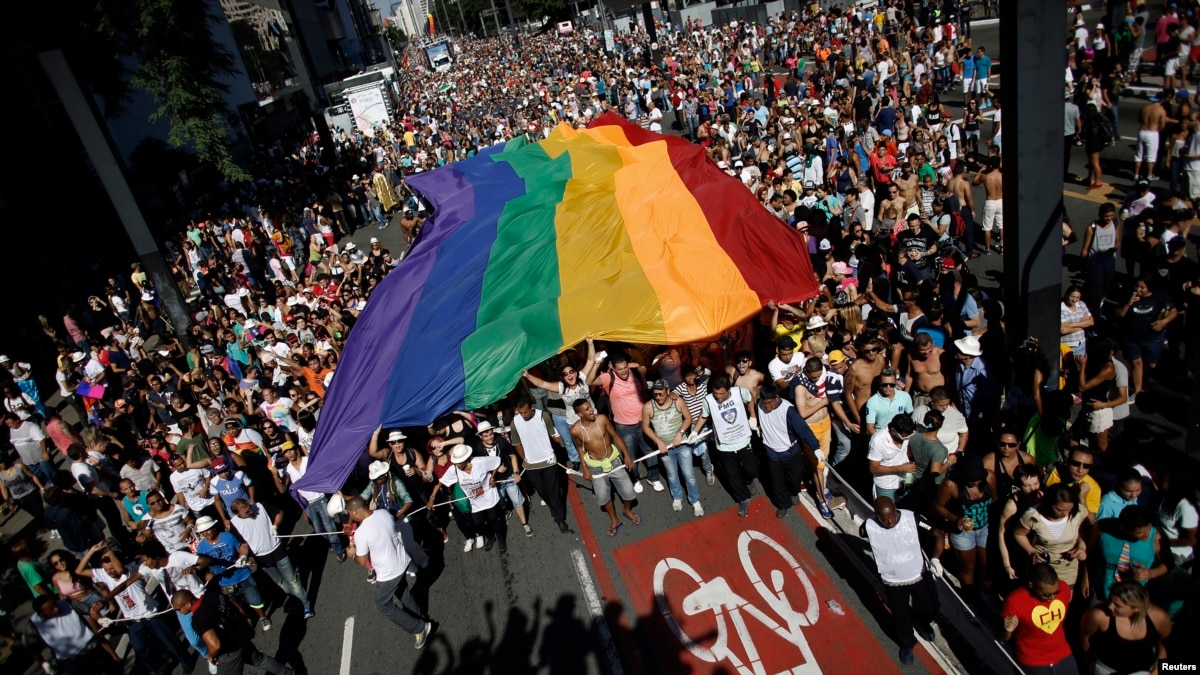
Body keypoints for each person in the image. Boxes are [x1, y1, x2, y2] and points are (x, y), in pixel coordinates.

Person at [76, 541, 195, 674]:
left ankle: (186, 661)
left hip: (150, 614)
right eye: (106, 569)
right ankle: (161, 668)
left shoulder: (131, 569)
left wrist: (108, 551)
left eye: (111, 568)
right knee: (140, 650)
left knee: (169, 640)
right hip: (133, 619)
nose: (109, 572)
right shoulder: (103, 574)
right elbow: (79, 570)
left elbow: (120, 570)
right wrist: (92, 551)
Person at [344, 496, 433, 649]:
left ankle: (419, 627)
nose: (350, 518)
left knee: (382, 605)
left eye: (350, 515)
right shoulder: (383, 513)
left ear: (355, 512)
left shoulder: (361, 533)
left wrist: (352, 554)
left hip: (388, 573)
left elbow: (362, 561)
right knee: (403, 592)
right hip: (401, 562)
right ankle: (420, 616)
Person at [863, 496, 939, 666]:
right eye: (884, 519)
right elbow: (863, 533)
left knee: (931, 607)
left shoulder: (912, 518)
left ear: (895, 508)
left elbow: (938, 534)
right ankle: (906, 643)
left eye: (892, 516)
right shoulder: (869, 526)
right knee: (900, 615)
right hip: (893, 580)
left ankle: (922, 621)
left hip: (917, 573)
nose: (890, 522)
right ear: (876, 516)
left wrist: (936, 559)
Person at [172, 584, 294, 675]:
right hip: (241, 638)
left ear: (188, 604)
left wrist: (210, 656)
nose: (178, 612)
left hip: (229, 652)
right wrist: (247, 625)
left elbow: (215, 645)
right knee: (260, 660)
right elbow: (238, 608)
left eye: (178, 609)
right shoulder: (214, 595)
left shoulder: (198, 620)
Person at [228, 499, 313, 619]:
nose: (251, 511)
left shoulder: (260, 507)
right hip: (262, 559)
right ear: (238, 514)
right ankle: (297, 598)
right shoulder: (235, 524)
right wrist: (243, 556)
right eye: (247, 512)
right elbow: (243, 544)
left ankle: (305, 605)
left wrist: (275, 526)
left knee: (292, 579)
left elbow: (279, 513)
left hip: (278, 550)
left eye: (250, 508)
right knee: (281, 583)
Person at [590, 351, 659, 492]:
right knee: (630, 455)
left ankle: (654, 478)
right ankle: (635, 480)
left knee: (650, 450)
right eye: (619, 369)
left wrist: (634, 366)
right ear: (613, 369)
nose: (623, 371)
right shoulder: (608, 378)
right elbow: (589, 381)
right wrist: (596, 363)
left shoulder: (637, 374)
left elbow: (642, 369)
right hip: (624, 426)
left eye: (625, 367)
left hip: (643, 422)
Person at [757, 383, 828, 519]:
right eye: (764, 403)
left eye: (769, 403)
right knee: (776, 482)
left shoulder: (789, 411)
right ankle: (782, 504)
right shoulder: (759, 404)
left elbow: (804, 431)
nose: (766, 406)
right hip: (772, 454)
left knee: (794, 478)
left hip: (790, 453)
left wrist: (816, 448)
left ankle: (794, 492)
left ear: (776, 398)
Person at [570, 399, 640, 535]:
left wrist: (626, 454)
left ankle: (627, 510)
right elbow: (580, 448)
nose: (591, 410)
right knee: (603, 497)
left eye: (590, 406)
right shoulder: (575, 430)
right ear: (579, 414)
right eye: (587, 409)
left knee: (629, 492)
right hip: (595, 467)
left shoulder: (602, 419)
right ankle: (614, 519)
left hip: (613, 461)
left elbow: (615, 435)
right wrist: (584, 468)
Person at [695, 374, 759, 517]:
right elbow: (704, 416)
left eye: (721, 393)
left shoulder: (739, 392)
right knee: (732, 475)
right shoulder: (709, 400)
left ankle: (748, 480)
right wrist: (695, 432)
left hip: (743, 439)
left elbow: (750, 399)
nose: (718, 396)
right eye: (715, 393)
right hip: (724, 445)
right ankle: (743, 498)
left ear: (729, 389)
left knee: (752, 469)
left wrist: (753, 415)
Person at [193, 515, 270, 631]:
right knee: (236, 605)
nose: (206, 533)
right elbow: (203, 566)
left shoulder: (228, 536)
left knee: (255, 599)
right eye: (203, 532)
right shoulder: (201, 548)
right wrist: (207, 574)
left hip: (243, 575)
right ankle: (247, 620)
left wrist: (243, 557)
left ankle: (262, 617)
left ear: (214, 527)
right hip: (224, 582)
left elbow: (241, 548)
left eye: (208, 529)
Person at [933, 454, 994, 600]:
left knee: (987, 564)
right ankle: (970, 598)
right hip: (962, 533)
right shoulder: (950, 485)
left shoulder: (990, 478)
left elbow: (995, 500)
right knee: (969, 567)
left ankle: (988, 595)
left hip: (984, 528)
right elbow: (938, 507)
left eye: (977, 478)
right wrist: (956, 518)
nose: (973, 482)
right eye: (969, 479)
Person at [999, 563, 1078, 675]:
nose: (1052, 598)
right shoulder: (1014, 601)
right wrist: (1007, 630)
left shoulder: (1064, 589)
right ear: (1031, 585)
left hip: (1063, 655)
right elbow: (1002, 637)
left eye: (1055, 592)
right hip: (1033, 661)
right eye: (1046, 594)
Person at [428, 444, 508, 553]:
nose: (457, 464)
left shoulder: (480, 462)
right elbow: (440, 482)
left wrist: (493, 477)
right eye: (456, 461)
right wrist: (432, 497)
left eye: (460, 461)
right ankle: (490, 536)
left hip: (488, 496)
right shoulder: (454, 469)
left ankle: (501, 539)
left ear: (467, 459)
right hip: (474, 501)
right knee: (478, 523)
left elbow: (496, 462)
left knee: (493, 519)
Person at [507, 399, 571, 534]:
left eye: (526, 412)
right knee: (542, 491)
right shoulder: (515, 423)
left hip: (548, 462)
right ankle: (555, 507)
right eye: (521, 413)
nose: (524, 415)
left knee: (553, 491)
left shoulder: (543, 416)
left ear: (532, 407)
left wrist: (555, 452)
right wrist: (526, 459)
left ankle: (559, 518)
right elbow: (517, 445)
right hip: (531, 466)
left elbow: (554, 435)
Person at [1080, 582, 1171, 673]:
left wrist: (1159, 663)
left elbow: (1165, 642)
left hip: (1142, 671)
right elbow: (1085, 637)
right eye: (1109, 600)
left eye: (1117, 605)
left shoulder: (1159, 618)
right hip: (1106, 669)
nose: (1110, 606)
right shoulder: (1098, 615)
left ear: (1137, 608)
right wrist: (1088, 664)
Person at [1012, 483, 1090, 588]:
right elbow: (1018, 534)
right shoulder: (1033, 516)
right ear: (1049, 503)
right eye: (1060, 510)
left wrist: (1081, 547)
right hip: (1042, 567)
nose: (1065, 514)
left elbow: (1083, 531)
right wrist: (1031, 551)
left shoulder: (1078, 512)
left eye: (1069, 510)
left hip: (1067, 567)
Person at [642, 379, 702, 515]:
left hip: (682, 445)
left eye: (661, 394)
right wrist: (658, 441)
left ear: (668, 391)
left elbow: (688, 418)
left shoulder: (678, 402)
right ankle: (677, 497)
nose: (658, 397)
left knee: (689, 474)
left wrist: (680, 434)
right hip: (665, 449)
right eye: (655, 394)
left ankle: (695, 500)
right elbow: (645, 427)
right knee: (672, 474)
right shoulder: (648, 407)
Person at [25, 595, 122, 675]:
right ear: (42, 614)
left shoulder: (68, 603)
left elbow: (90, 610)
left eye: (55, 604)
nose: (57, 608)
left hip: (92, 650)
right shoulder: (34, 624)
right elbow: (29, 646)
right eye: (51, 609)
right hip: (68, 662)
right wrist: (44, 663)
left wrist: (100, 619)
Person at [1094, 505, 1169, 601]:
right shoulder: (1104, 527)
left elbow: (1168, 563)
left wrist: (1151, 573)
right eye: (1140, 533)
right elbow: (1091, 552)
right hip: (1103, 587)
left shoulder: (1156, 537)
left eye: (1149, 529)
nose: (1147, 534)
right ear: (1124, 529)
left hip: (1135, 595)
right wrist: (1086, 579)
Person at [867, 415, 917, 502]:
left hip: (904, 479)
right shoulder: (878, 440)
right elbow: (873, 468)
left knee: (907, 505)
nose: (907, 439)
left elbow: (907, 449)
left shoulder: (906, 433)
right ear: (893, 430)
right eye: (904, 437)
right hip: (886, 484)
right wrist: (901, 468)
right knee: (888, 511)